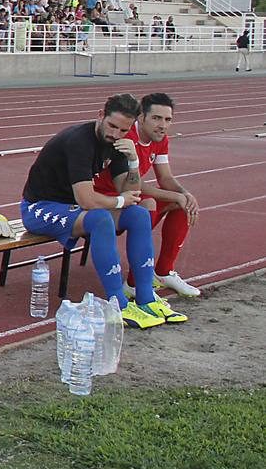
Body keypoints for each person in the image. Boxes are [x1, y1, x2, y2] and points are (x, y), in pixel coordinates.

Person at [20, 93, 184, 329]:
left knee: (137, 215)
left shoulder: (118, 143)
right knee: (99, 219)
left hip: (73, 208)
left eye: (124, 130)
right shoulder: (79, 142)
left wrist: (133, 161)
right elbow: (87, 199)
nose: (116, 134)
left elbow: (131, 192)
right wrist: (119, 201)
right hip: (40, 208)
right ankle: (116, 302)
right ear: (100, 116)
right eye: (112, 126)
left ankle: (146, 297)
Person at [92, 93, 200, 298]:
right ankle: (134, 282)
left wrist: (184, 194)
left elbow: (165, 177)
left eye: (168, 120)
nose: (163, 125)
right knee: (148, 204)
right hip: (107, 197)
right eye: (156, 118)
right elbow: (132, 184)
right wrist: (174, 196)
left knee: (183, 203)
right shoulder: (125, 136)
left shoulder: (160, 139)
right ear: (141, 118)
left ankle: (163, 272)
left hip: (131, 195)